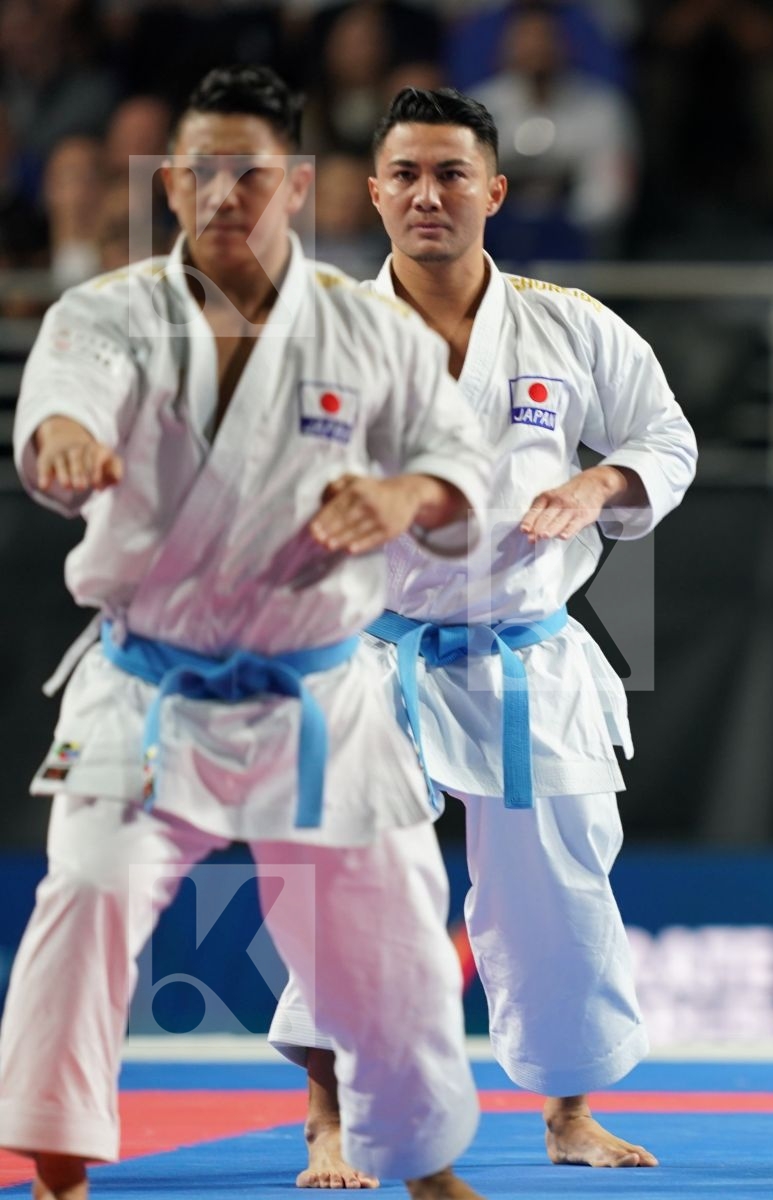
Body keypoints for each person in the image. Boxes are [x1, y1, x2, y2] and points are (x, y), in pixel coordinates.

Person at [0, 66, 492, 1200]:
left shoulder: (368, 332)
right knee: (84, 896)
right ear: (171, 183)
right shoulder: (107, 313)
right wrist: (70, 440)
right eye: (204, 171)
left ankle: (422, 1164)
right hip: (148, 687)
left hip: (315, 693)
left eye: (252, 173)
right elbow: (67, 397)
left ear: (299, 184)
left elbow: (458, 459)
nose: (227, 193)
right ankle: (61, 1165)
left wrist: (405, 498)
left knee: (399, 942)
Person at [266, 86, 696, 1188]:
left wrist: (599, 481)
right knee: (347, 878)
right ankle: (328, 1115)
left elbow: (666, 437)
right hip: (373, 648)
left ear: (494, 191)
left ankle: (567, 1114)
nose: (427, 195)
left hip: (525, 644)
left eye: (451, 174)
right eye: (405, 175)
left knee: (557, 880)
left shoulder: (567, 321)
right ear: (373, 192)